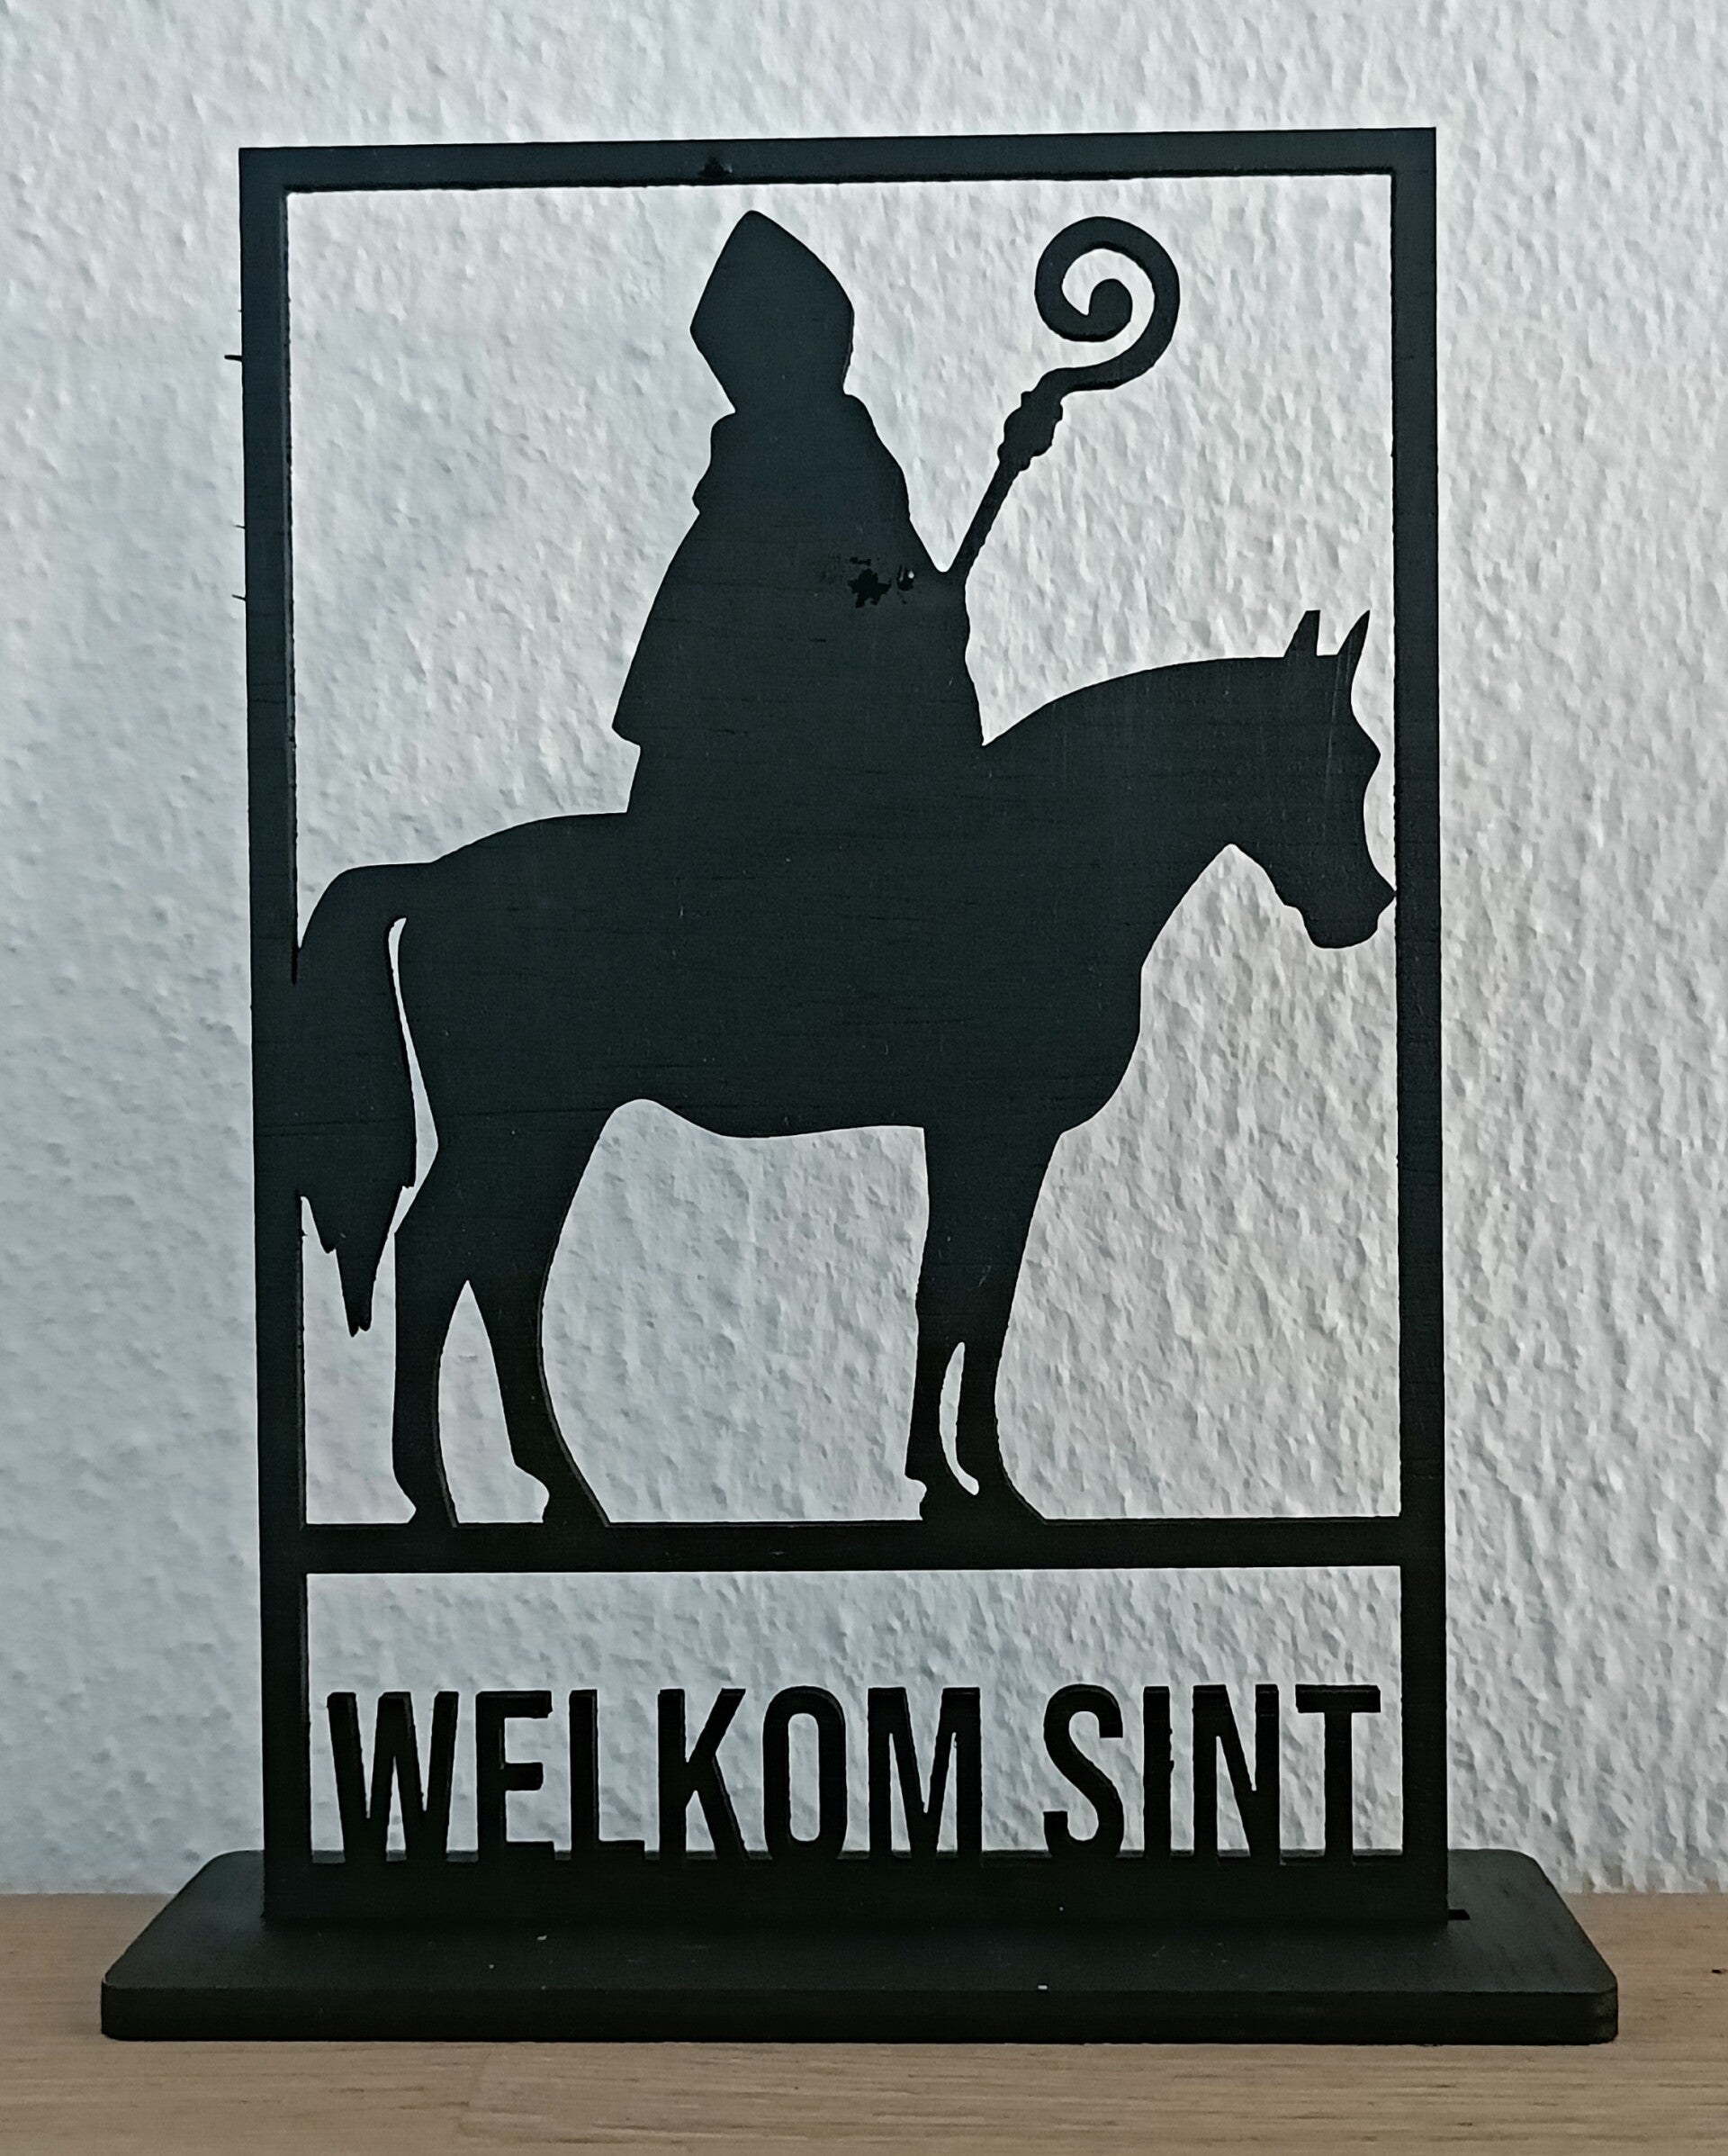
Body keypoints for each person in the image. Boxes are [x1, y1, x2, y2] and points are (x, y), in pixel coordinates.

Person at [613, 212, 983, 844]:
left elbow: (879, 585)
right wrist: (926, 606)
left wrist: (923, 603)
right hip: (789, 781)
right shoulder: (820, 468)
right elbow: (864, 592)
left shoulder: (781, 473)